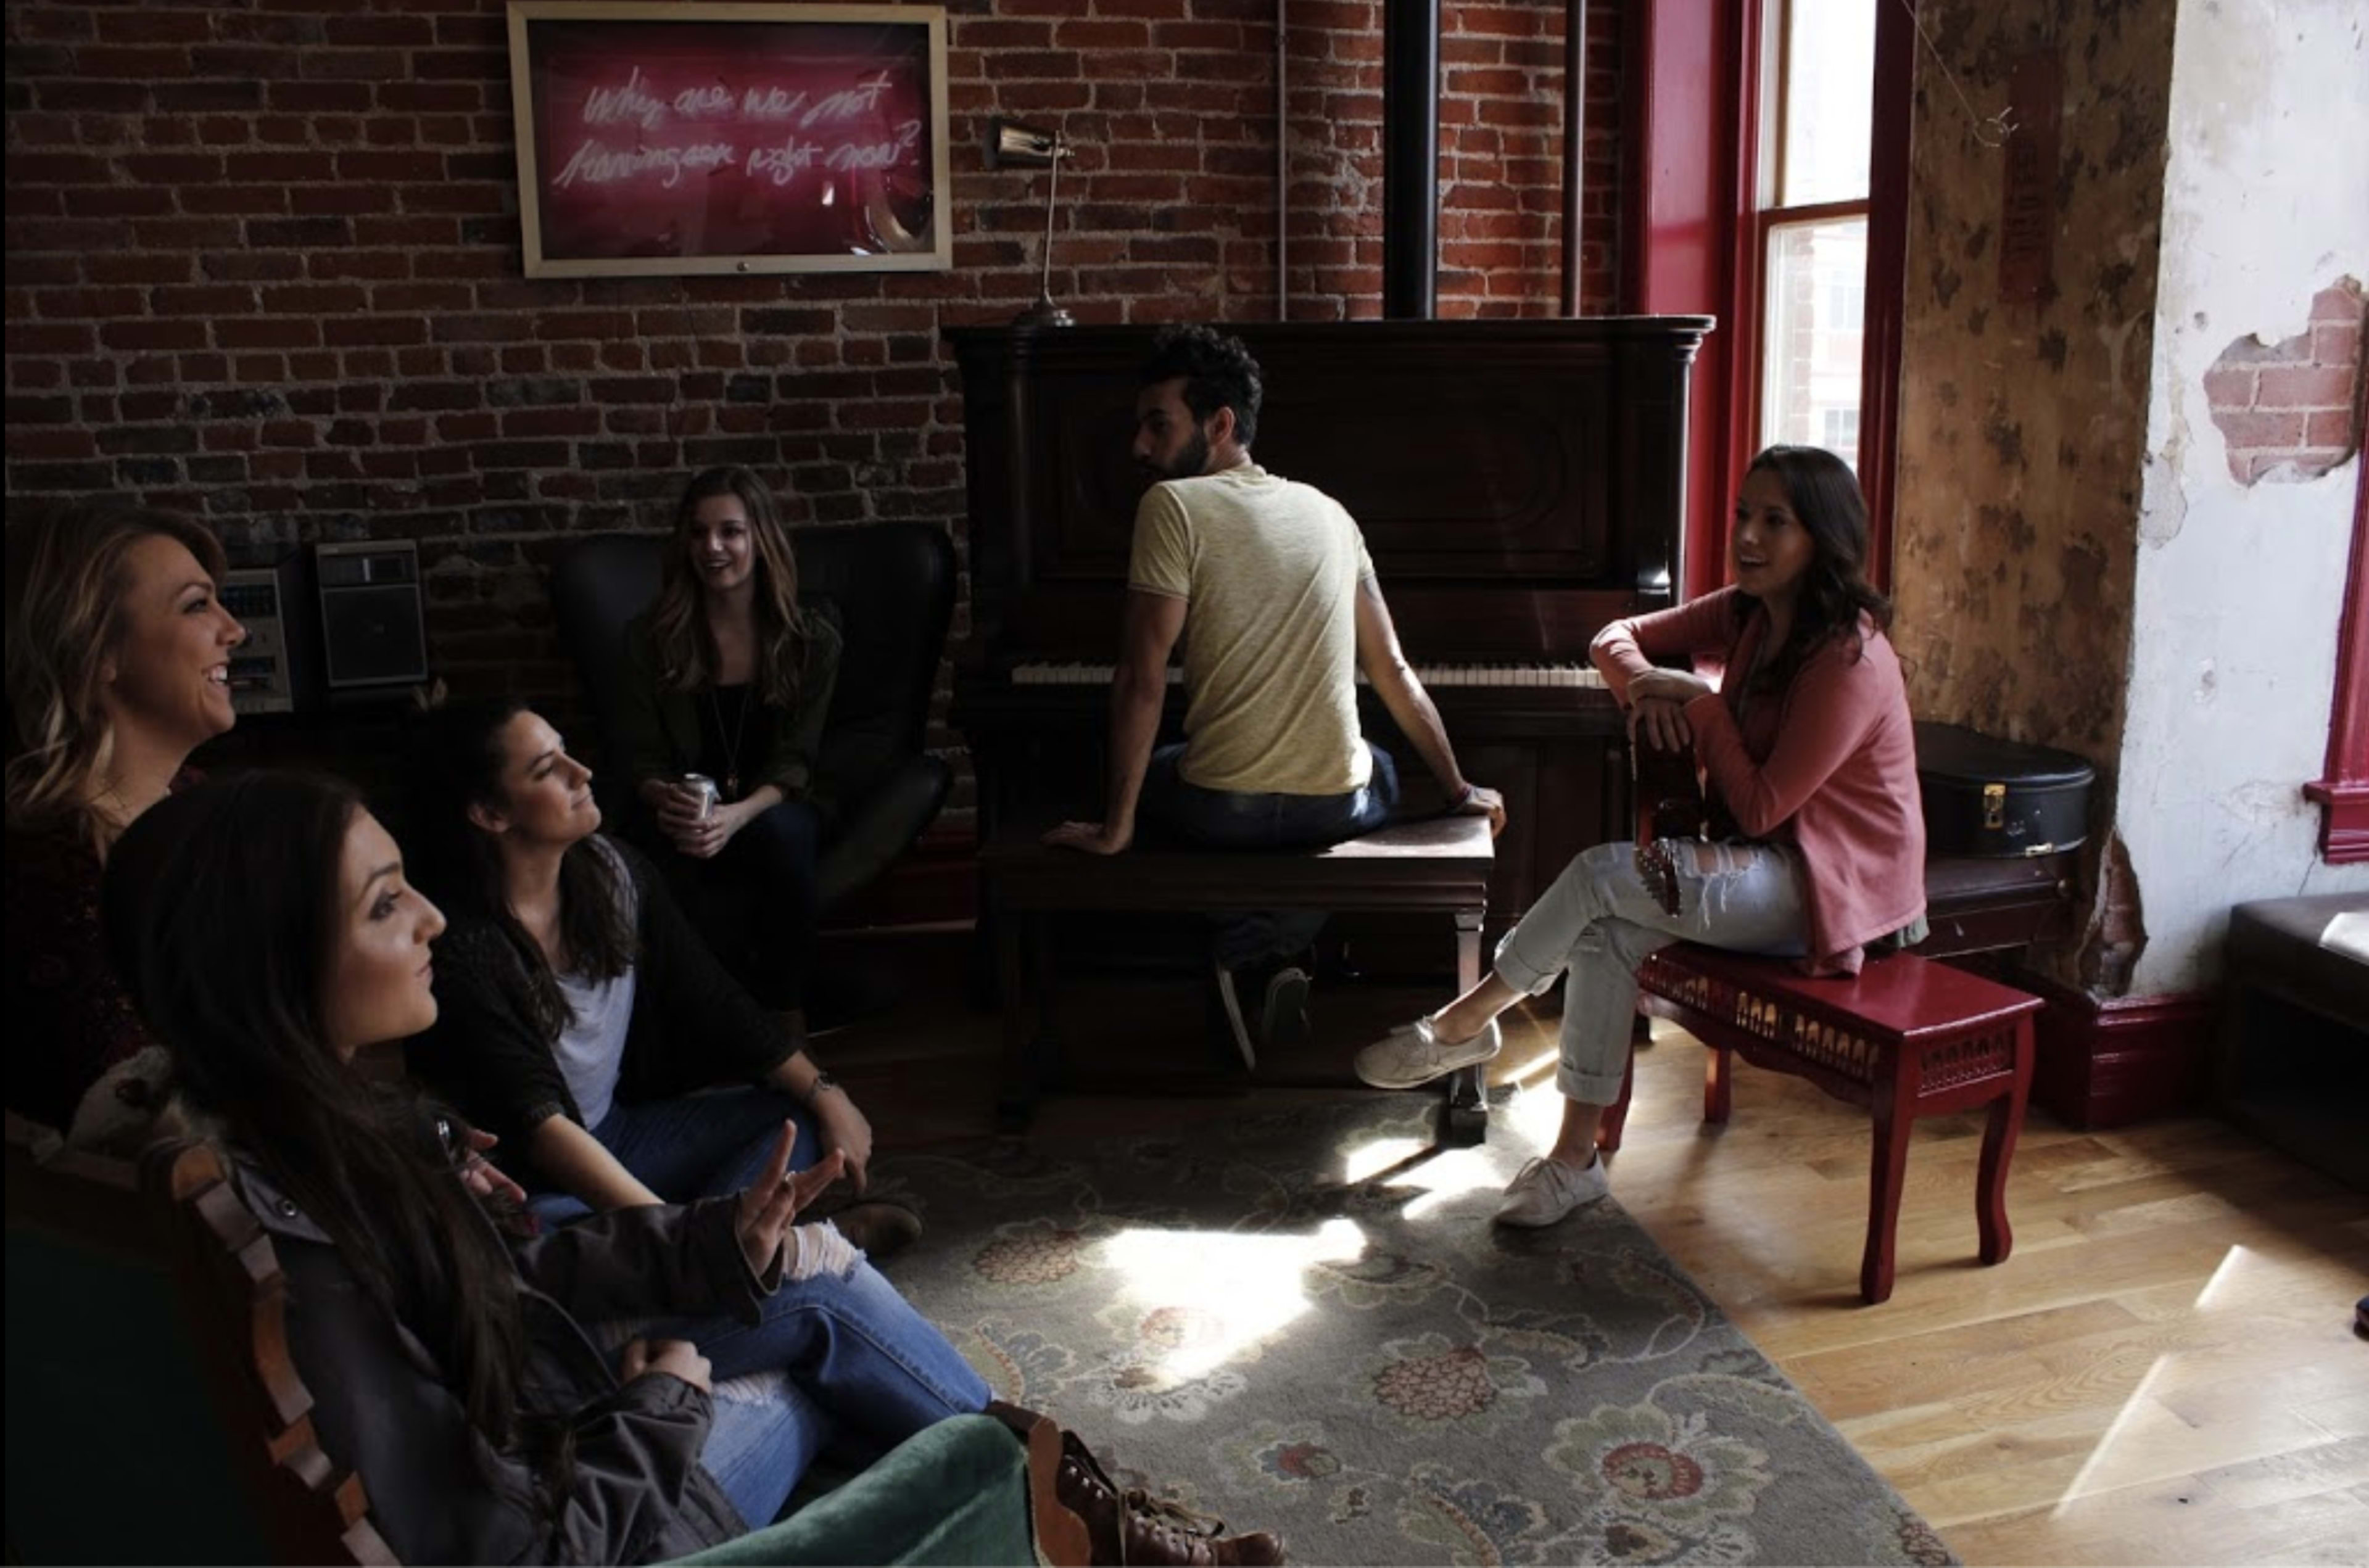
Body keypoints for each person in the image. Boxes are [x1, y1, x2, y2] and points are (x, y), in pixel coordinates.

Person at [104, 770, 1284, 1566]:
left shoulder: (315, 1132)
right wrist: (668, 1399)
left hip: (548, 1414)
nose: (429, 921)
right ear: (273, 969)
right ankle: (1077, 1517)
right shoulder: (315, 1243)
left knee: (803, 1272)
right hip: (585, 1505)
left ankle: (1101, 1520)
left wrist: (712, 1243)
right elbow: (519, 1551)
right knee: (846, 1386)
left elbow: (519, 1279)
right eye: (383, 904)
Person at [1354, 446, 1926, 1228]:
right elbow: (1612, 636)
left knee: (1598, 876)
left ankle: (1463, 1023)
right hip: (1762, 862)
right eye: (1742, 515)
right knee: (1610, 928)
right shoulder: (1751, 612)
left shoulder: (1848, 661)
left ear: (1822, 539)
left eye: (1774, 521)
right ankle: (1573, 1162)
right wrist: (1643, 692)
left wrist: (1698, 702)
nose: (1747, 536)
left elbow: (1760, 806)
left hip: (1827, 889)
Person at [1046, 324, 1505, 1063]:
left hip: (1225, 808)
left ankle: (1243, 945)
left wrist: (1114, 826)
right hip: (1335, 799)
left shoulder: (1173, 506)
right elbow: (1391, 668)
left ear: (1220, 424)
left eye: (1157, 423)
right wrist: (1456, 787)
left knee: (1160, 774)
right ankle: (1281, 946)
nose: (1139, 446)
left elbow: (1139, 679)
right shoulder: (1332, 513)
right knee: (1379, 770)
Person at [400, 696, 917, 1256]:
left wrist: (828, 1094)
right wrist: (676, 1237)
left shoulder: (613, 872)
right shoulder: (460, 947)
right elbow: (542, 1133)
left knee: (796, 1121)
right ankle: (758, 1251)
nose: (583, 774)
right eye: (548, 769)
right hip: (529, 1180)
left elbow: (714, 1001)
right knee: (535, 1252)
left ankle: (725, 1251)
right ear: (490, 814)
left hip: (620, 1136)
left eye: (566, 753)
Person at [3, 499, 247, 1140]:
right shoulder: (53, 869)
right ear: (95, 649)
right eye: (197, 605)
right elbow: (148, 1136)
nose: (236, 630)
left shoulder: (200, 805)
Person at [618, 466, 842, 1019]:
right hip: (684, 803)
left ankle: (786, 1019)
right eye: (698, 533)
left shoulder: (810, 640)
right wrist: (667, 801)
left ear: (760, 538)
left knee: (781, 837)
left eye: (731, 531)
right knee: (658, 855)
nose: (712, 547)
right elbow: (641, 756)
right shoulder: (650, 640)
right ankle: (697, 1021)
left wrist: (737, 816)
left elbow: (797, 760)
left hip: (772, 802)